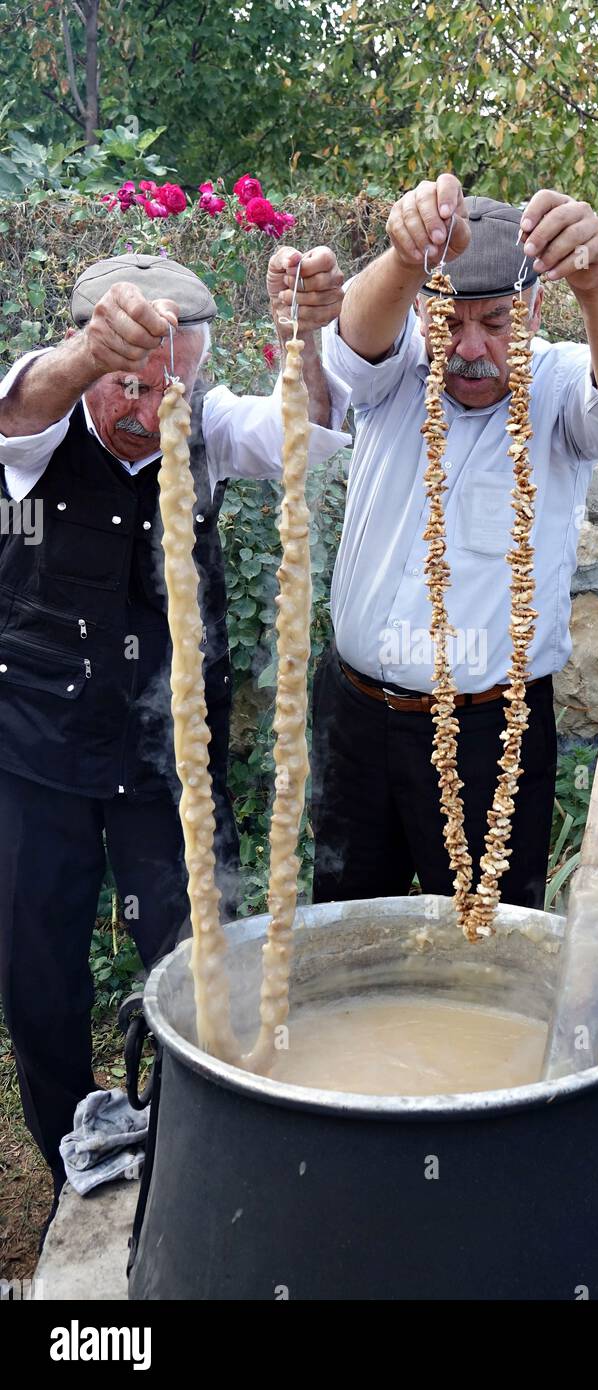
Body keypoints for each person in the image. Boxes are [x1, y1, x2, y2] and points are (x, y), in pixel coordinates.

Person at [0, 247, 349, 1193]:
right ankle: (75, 1157)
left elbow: (314, 433)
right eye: (126, 380)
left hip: (166, 765)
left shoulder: (209, 423)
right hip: (37, 760)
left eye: (171, 381)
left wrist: (304, 339)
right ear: (83, 357)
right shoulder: (39, 429)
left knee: (202, 957)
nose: (150, 403)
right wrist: (85, 359)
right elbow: (16, 405)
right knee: (37, 975)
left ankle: (190, 1150)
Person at [315, 172, 598, 908]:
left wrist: (596, 283)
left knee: (490, 945)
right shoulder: (395, 373)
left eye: (498, 323)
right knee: (347, 924)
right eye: (451, 320)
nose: (472, 350)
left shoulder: (558, 388)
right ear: (424, 310)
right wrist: (402, 254)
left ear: (536, 307)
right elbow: (349, 346)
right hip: (355, 718)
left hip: (492, 733)